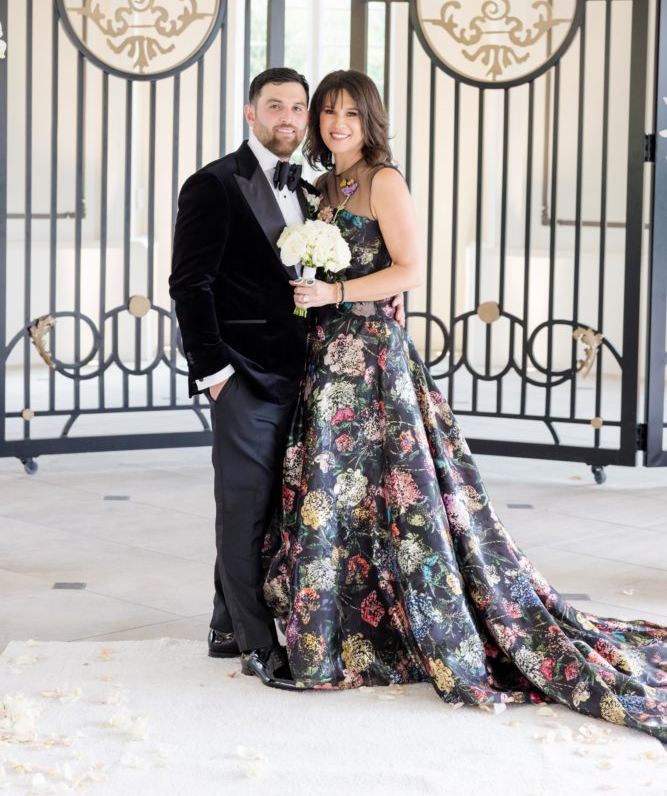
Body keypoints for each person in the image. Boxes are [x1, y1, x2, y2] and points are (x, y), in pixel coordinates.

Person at [263, 69, 667, 741]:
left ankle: (424, 625)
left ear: (370, 122)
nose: (336, 125)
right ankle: (344, 634)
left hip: (371, 360)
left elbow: (410, 269)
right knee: (338, 498)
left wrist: (334, 296)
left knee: (396, 498)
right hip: (326, 360)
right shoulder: (328, 186)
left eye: (349, 116)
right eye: (327, 114)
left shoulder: (384, 179)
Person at [169, 66, 406, 690]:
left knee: (275, 509)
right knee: (242, 509)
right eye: (275, 106)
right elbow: (189, 286)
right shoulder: (212, 185)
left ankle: (225, 624)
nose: (290, 118)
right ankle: (255, 642)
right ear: (251, 114)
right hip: (243, 377)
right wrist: (215, 373)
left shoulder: (312, 189)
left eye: (299, 109)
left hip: (309, 375)